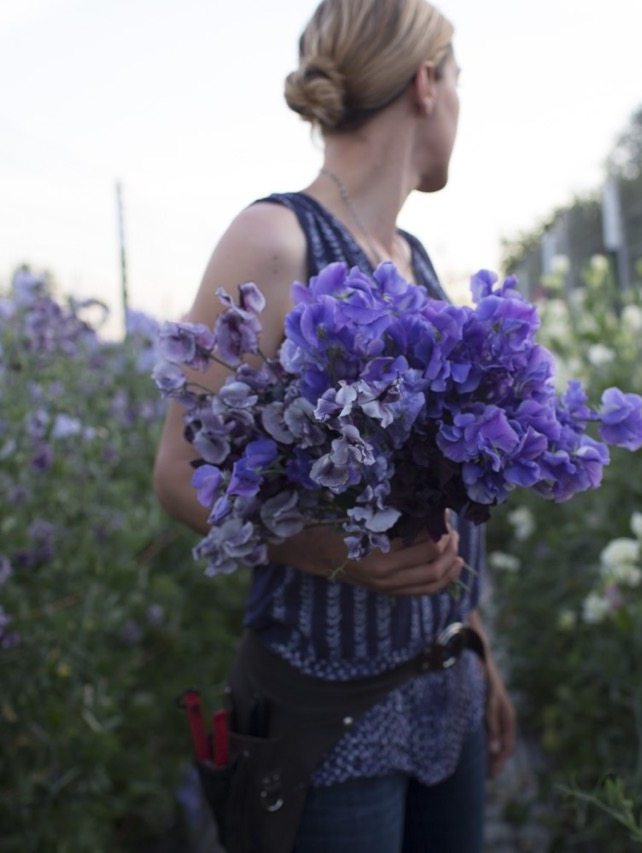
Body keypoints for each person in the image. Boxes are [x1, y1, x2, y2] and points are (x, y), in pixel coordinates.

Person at [152, 1, 516, 850]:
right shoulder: (276, 239)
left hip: (444, 691)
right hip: (327, 709)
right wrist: (336, 554)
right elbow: (177, 472)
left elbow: (439, 493)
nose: (461, 102)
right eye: (458, 79)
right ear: (428, 84)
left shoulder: (412, 257)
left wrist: (479, 647)